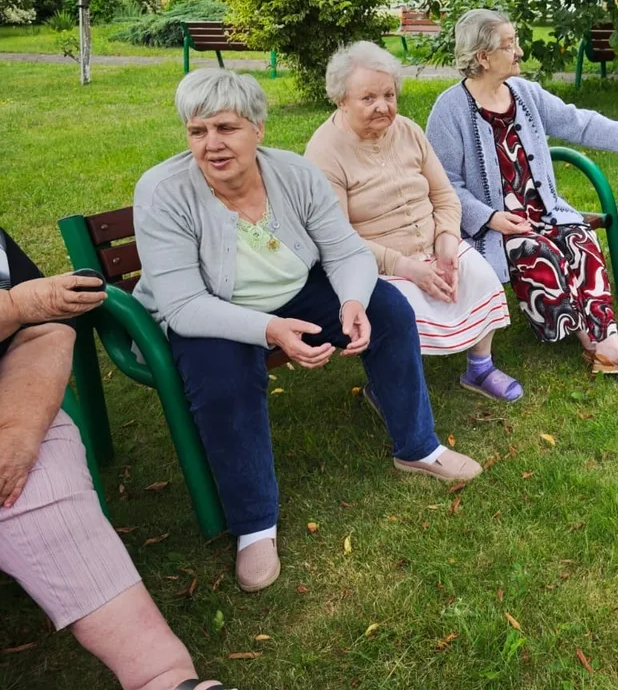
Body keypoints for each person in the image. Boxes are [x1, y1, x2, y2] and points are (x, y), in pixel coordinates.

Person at [133, 69, 483, 594]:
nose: (212, 144)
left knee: (388, 311)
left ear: (258, 129)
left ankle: (418, 446)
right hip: (211, 312)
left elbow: (345, 251)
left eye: (226, 128)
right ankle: (255, 523)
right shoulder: (164, 191)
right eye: (197, 131)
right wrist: (270, 330)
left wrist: (352, 301)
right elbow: (183, 305)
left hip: (292, 291)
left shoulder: (293, 174)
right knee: (224, 381)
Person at [0, 228, 233, 690]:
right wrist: (14, 307)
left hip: (12, 401)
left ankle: (164, 678)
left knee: (39, 492)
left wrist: (18, 432)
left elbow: (46, 330)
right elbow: (29, 308)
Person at [426, 9, 618, 375]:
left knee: (580, 241)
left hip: (546, 211)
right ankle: (596, 344)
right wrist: (491, 217)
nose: (519, 52)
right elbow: (444, 185)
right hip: (497, 225)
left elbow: (579, 122)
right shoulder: (450, 110)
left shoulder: (524, 94)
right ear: (482, 57)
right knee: (537, 252)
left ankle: (604, 342)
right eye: (510, 45)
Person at [305, 42, 518, 402]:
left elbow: (444, 195)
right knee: (398, 312)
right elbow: (337, 238)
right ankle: (386, 387)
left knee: (479, 275)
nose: (382, 106)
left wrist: (448, 241)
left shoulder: (407, 130)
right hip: (376, 261)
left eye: (389, 94)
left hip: (432, 244)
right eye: (368, 98)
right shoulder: (324, 152)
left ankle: (479, 368)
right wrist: (406, 267)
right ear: (341, 99)